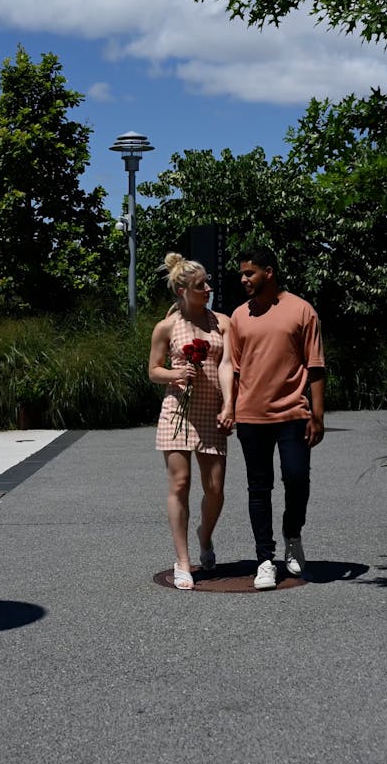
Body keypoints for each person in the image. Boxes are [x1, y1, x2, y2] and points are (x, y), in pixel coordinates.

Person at [230, 245, 325, 589]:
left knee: (297, 478)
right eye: (242, 274)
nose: (243, 279)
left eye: (249, 273)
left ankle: (293, 534)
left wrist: (318, 414)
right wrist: (230, 408)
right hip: (251, 416)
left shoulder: (302, 311)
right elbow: (235, 369)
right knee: (259, 487)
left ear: (269, 272)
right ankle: (265, 559)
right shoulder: (240, 316)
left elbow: (315, 367)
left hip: (293, 413)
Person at [149, 252, 234, 590]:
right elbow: (153, 370)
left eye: (208, 284)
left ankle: (205, 534)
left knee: (215, 488)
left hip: (212, 409)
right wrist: (176, 372)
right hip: (177, 411)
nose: (208, 289)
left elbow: (227, 365)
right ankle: (183, 560)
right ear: (183, 290)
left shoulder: (222, 322)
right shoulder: (166, 327)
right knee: (180, 484)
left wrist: (230, 404)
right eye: (201, 286)